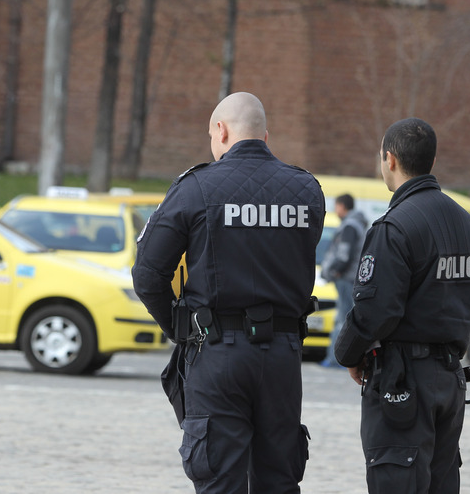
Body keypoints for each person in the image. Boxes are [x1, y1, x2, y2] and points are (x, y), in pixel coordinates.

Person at [132, 92, 325, 493]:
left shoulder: (195, 187)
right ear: (264, 135)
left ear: (220, 131)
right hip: (284, 357)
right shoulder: (307, 190)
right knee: (279, 480)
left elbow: (149, 275)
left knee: (219, 479)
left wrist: (181, 330)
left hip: (217, 354)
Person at [334, 117, 470, 494]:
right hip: (449, 379)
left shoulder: (395, 226)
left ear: (389, 159)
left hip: (403, 382)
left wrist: (349, 353)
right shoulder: (467, 224)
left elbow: (376, 311)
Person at [319, 193, 368, 369]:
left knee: (343, 319)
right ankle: (336, 358)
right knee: (344, 317)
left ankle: (337, 359)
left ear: (342, 206)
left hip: (346, 278)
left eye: (336, 205)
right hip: (349, 278)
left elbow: (344, 254)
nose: (335, 209)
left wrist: (335, 271)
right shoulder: (356, 224)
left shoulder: (349, 226)